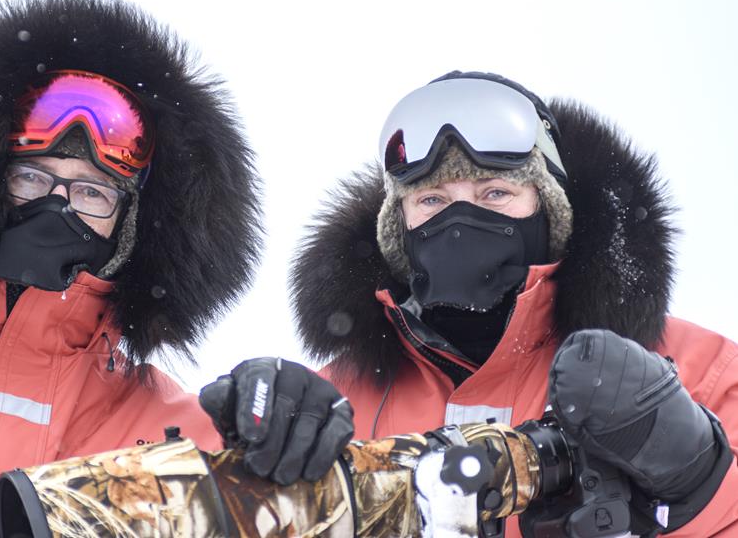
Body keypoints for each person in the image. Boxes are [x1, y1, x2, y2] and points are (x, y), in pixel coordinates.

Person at [0, 0, 277, 537]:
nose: (56, 206)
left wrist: (282, 443)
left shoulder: (184, 436)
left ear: (131, 226)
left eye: (91, 194)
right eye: (31, 177)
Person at [289, 71, 738, 536]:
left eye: (496, 193)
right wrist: (252, 431)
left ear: (549, 211)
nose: (460, 221)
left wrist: (700, 483)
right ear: (399, 228)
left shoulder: (698, 376)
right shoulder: (327, 411)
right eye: (432, 199)